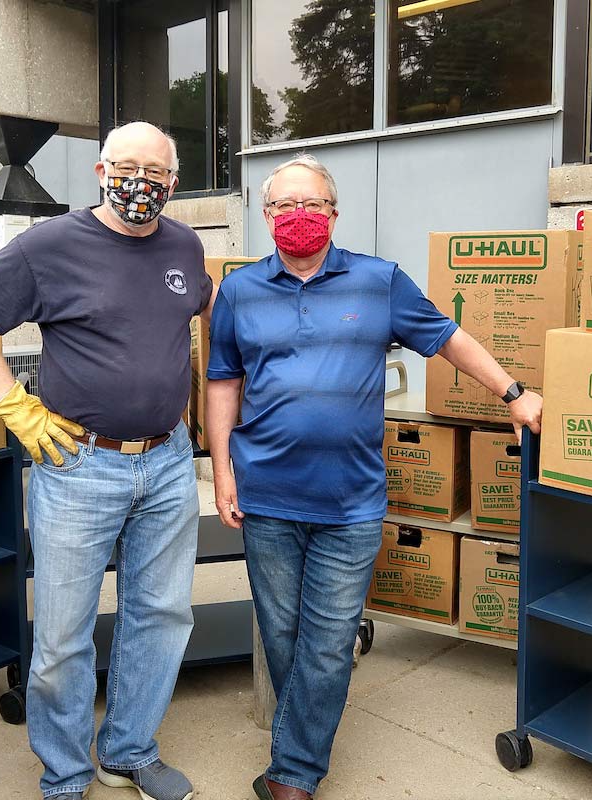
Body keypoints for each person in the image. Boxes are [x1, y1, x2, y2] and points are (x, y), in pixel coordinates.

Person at [205, 154, 543, 800]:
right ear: (265, 215)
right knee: (284, 638)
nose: (297, 217)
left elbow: (447, 339)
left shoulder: (378, 281)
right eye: (283, 206)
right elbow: (223, 381)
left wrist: (512, 392)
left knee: (328, 645)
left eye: (311, 205)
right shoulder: (241, 291)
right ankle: (295, 753)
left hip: (350, 503)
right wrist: (221, 466)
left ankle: (292, 778)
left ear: (334, 213)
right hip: (265, 498)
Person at [0, 121, 208, 800]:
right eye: (127, 167)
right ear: (99, 172)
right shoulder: (52, 243)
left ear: (173, 183)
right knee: (63, 635)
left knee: (162, 615)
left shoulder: (184, 243)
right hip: (80, 465)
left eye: (156, 171)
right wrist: (14, 406)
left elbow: (193, 313)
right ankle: (63, 771)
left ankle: (128, 751)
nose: (140, 182)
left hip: (170, 461)